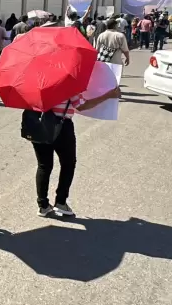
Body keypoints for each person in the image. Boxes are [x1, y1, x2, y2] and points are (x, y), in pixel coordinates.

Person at [33, 85, 121, 219]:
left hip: (37, 124)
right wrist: (108, 95)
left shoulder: (36, 81)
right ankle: (61, 202)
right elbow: (81, 105)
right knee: (68, 164)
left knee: (44, 166)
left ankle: (43, 205)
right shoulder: (67, 83)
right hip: (61, 127)